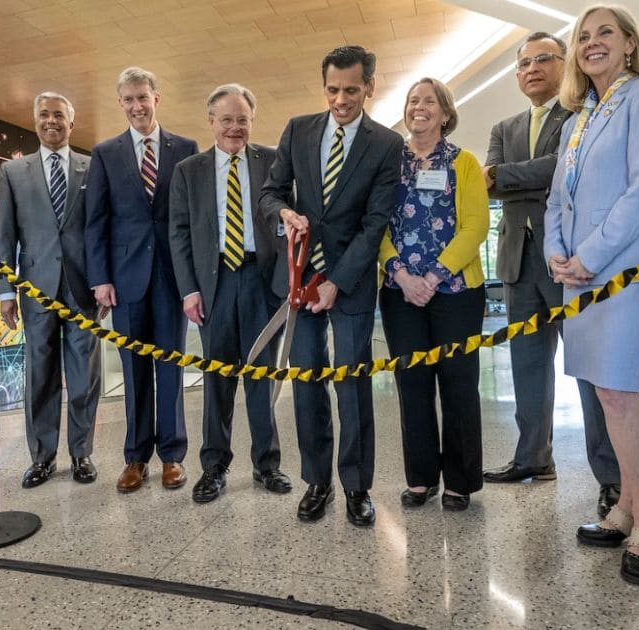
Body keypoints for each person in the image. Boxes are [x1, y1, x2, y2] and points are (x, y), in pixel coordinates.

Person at [544, 4, 639, 586]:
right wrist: (558, 252)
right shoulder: (580, 118)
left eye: (606, 32)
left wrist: (591, 256)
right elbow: (559, 199)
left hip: (623, 269)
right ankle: (626, 506)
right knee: (605, 393)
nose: (592, 42)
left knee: (621, 392)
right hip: (578, 274)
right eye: (583, 35)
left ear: (630, 43)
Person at [259, 45, 402, 527]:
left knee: (352, 386)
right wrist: (283, 213)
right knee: (307, 384)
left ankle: (357, 486)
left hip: (351, 283)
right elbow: (271, 190)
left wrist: (338, 282)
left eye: (351, 90)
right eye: (333, 89)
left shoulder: (385, 145)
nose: (341, 99)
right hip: (298, 280)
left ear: (370, 87)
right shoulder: (299, 129)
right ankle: (317, 481)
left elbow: (375, 221)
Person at [483, 31, 621, 519]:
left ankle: (612, 478)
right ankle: (532, 459)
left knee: (588, 369)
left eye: (543, 59)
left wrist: (511, 176)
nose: (532, 68)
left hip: (570, 261)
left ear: (564, 64)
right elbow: (494, 181)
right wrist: (522, 175)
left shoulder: (584, 114)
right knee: (527, 366)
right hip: (518, 264)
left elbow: (558, 169)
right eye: (523, 63)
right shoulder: (504, 126)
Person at [168, 84, 293, 503]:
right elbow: (179, 235)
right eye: (227, 119)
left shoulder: (274, 162)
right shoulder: (189, 171)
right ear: (211, 122)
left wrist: (287, 282)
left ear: (251, 121)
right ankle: (214, 467)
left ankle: (267, 464)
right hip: (214, 282)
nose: (234, 128)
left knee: (262, 374)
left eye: (242, 119)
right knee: (217, 377)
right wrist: (189, 290)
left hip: (263, 280)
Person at [84, 67, 199, 494]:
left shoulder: (185, 149)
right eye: (128, 99)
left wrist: (193, 280)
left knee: (171, 369)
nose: (136, 106)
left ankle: (172, 457)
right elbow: (95, 222)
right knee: (134, 372)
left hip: (172, 280)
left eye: (143, 98)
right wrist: (100, 279)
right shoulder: (105, 153)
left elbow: (191, 220)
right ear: (120, 103)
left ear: (157, 98)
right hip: (125, 281)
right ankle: (135, 458)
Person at [378, 78, 489, 512]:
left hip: (457, 291)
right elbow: (378, 226)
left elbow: (476, 226)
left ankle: (460, 481)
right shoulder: (389, 164)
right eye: (412, 100)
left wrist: (434, 276)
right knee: (412, 384)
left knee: (459, 384)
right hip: (398, 290)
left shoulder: (464, 163)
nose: (419, 107)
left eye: (429, 101)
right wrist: (403, 275)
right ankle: (420, 477)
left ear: (445, 112)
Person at [0, 92, 102, 489]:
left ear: (71, 124)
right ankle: (42, 457)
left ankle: (81, 453)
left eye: (59, 115)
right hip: (35, 290)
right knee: (40, 375)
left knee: (83, 375)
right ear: (35, 122)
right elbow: (3, 236)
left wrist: (103, 283)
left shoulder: (93, 168)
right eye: (44, 115)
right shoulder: (13, 172)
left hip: (82, 290)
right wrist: (4, 291)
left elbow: (100, 233)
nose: (51, 121)